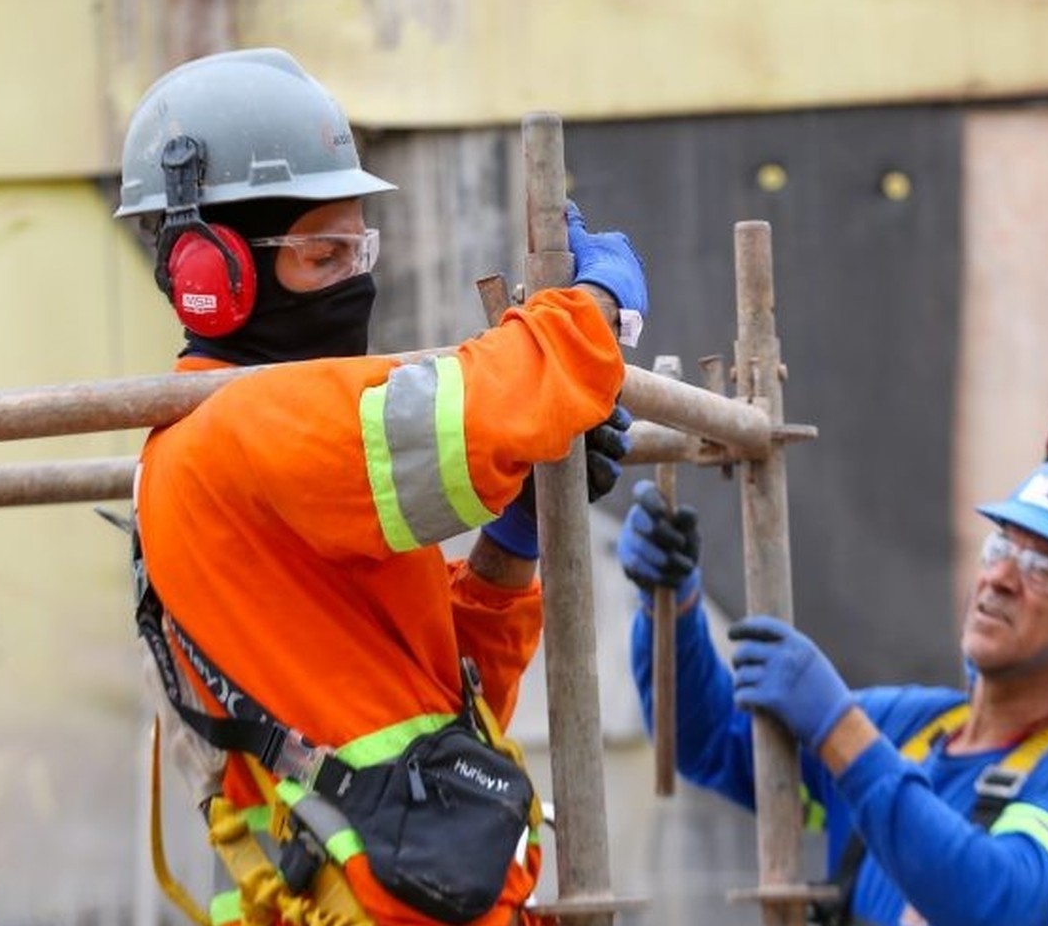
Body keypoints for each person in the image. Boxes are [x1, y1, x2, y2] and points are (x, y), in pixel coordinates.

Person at [115, 48, 648, 926]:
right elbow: (482, 409)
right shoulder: (240, 427)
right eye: (324, 254)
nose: (355, 279)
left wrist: (511, 544)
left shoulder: (252, 444)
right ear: (209, 278)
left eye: (359, 247)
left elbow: (432, 711)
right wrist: (595, 310)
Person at [620, 404, 1048, 926]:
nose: (1000, 579)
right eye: (1002, 547)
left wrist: (840, 731)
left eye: (1045, 570)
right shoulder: (911, 730)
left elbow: (996, 905)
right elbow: (709, 745)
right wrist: (672, 606)